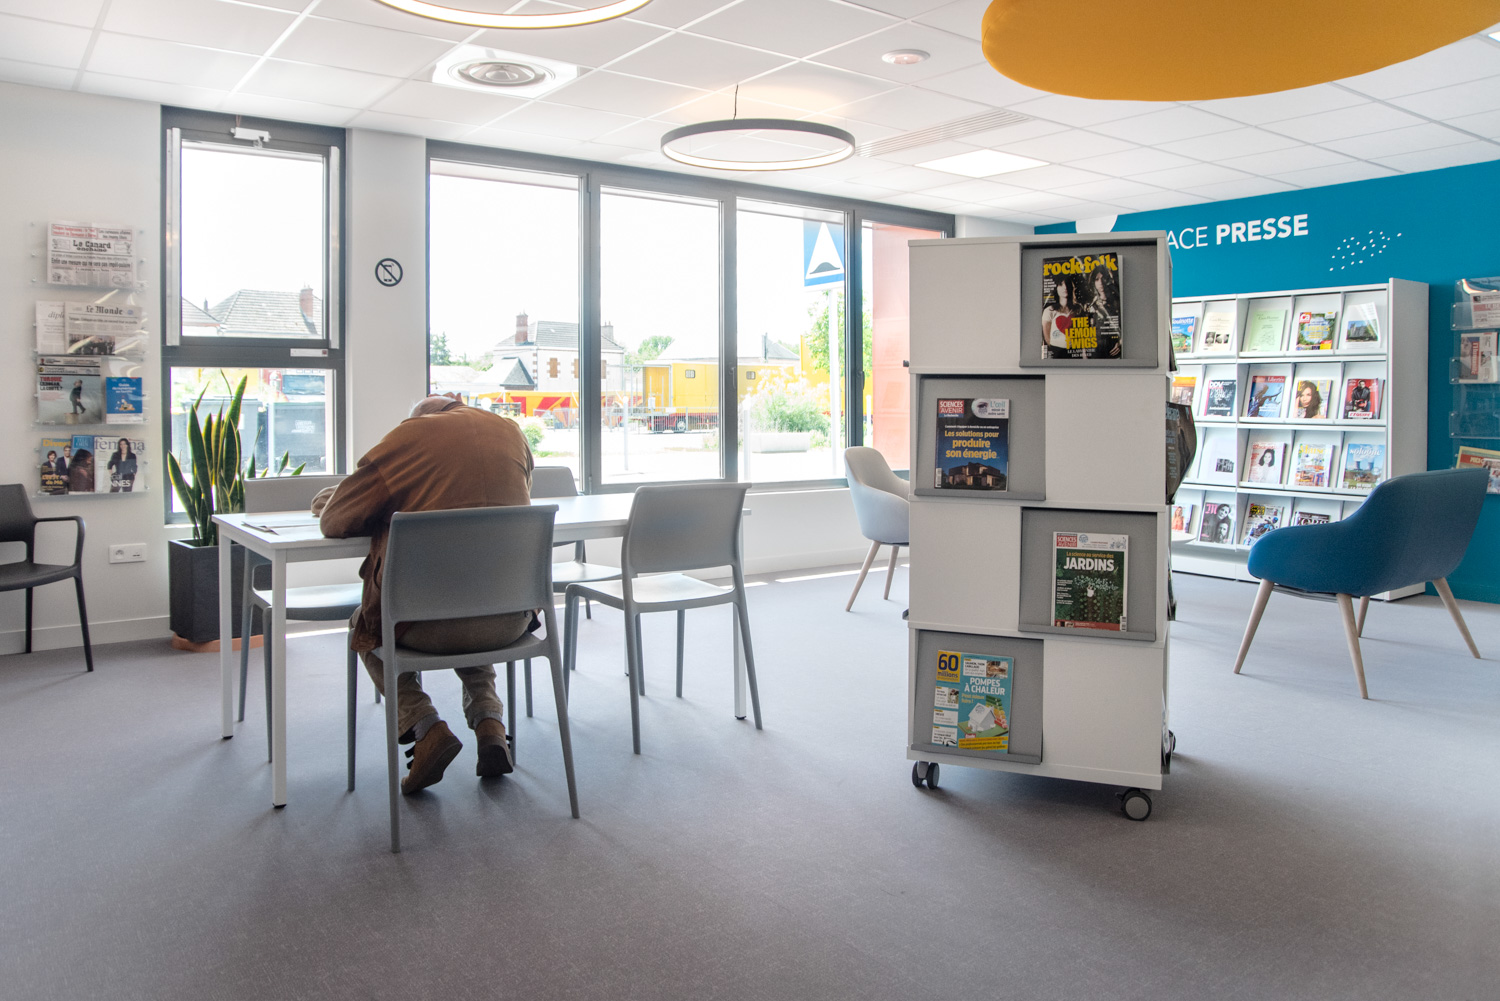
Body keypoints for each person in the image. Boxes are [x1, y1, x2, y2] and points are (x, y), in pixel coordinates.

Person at [316, 393, 535, 794]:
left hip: (429, 626)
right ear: (455, 405)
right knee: (475, 595)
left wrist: (337, 499)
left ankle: (425, 727)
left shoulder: (409, 436)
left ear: (419, 417)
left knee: (365, 625)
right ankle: (490, 724)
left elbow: (335, 520)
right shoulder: (511, 432)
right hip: (510, 620)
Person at [1041, 274, 1083, 358]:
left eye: (1067, 284)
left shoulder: (1078, 309)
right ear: (1056, 288)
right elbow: (1047, 338)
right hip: (1056, 351)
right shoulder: (1049, 310)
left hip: (1075, 351)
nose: (1065, 287)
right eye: (1061, 284)